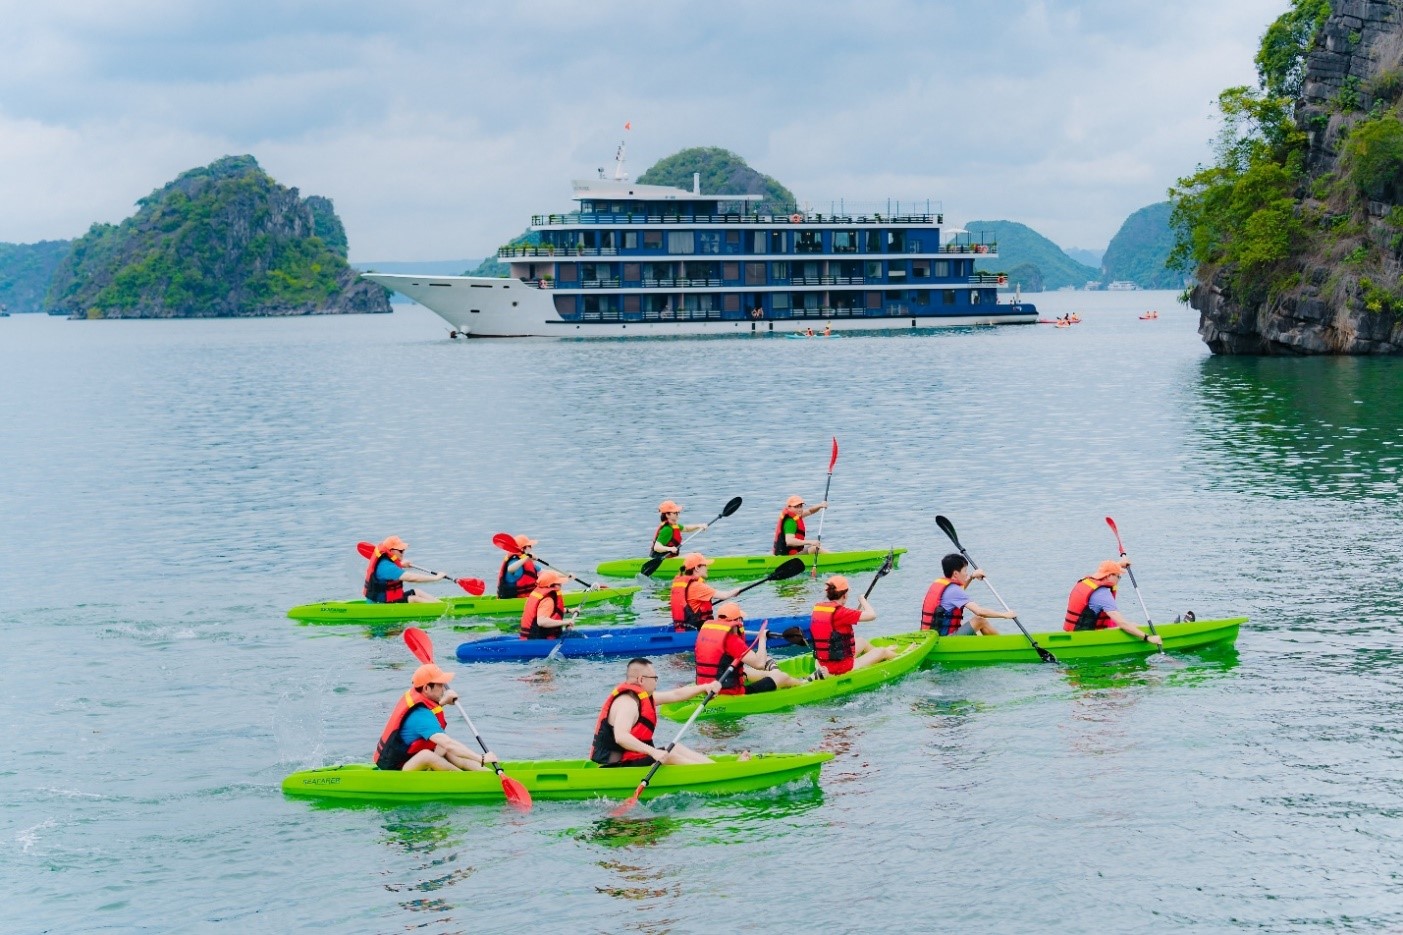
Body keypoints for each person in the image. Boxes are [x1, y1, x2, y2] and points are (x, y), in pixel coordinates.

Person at [590, 658, 722, 767]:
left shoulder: (643, 698)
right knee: (670, 756)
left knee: (675, 748)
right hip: (617, 766)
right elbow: (621, 737)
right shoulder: (627, 703)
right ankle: (715, 774)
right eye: (655, 678)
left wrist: (704, 687)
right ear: (641, 679)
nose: (656, 682)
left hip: (634, 760)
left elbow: (676, 695)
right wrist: (653, 752)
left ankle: (717, 768)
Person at [374, 662, 500, 772]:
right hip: (396, 770)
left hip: (408, 759)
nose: (443, 688)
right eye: (440, 685)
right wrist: (481, 758)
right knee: (429, 754)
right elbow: (448, 743)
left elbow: (428, 710)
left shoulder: (419, 699)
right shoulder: (420, 716)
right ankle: (466, 780)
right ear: (427, 688)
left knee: (445, 750)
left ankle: (487, 773)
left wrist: (443, 702)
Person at [695, 603, 804, 694]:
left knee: (746, 671)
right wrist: (762, 638)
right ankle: (805, 684)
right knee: (782, 677)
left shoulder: (708, 635)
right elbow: (760, 664)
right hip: (730, 693)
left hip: (707, 687)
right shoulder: (732, 641)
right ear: (737, 621)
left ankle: (773, 673)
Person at [810, 575, 896, 676]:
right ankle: (899, 655)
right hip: (840, 668)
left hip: (822, 664)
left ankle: (877, 656)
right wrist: (863, 600)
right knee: (882, 651)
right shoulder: (842, 613)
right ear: (845, 595)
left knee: (862, 641)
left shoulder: (819, 608)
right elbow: (872, 615)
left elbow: (837, 624)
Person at [1064, 559, 1163, 646]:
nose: (1119, 579)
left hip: (1073, 632)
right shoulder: (1103, 594)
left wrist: (1119, 565)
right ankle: (1152, 637)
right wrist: (1147, 638)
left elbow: (1107, 570)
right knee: (1132, 626)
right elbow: (1122, 623)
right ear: (1109, 575)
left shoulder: (1088, 582)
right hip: (1087, 638)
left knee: (1130, 625)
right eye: (1118, 576)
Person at [920, 553, 1019, 636]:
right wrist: (1005, 615)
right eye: (965, 571)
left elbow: (958, 592)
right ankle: (1001, 645)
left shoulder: (940, 584)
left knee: (978, 625)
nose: (966, 574)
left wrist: (972, 576)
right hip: (945, 641)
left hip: (930, 638)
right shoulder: (954, 591)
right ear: (955, 574)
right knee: (980, 620)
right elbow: (979, 611)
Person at [669, 553, 743, 631]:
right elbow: (724, 595)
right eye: (705, 566)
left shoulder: (687, 585)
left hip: (687, 628)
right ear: (697, 568)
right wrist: (736, 591)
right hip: (698, 630)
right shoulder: (697, 586)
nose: (707, 568)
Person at [364, 536, 447, 604]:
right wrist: (436, 578)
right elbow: (412, 578)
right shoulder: (386, 567)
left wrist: (401, 565)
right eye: (400, 550)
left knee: (417, 591)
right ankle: (443, 611)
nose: (403, 552)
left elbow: (390, 571)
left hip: (386, 599)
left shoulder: (387, 561)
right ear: (391, 551)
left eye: (403, 550)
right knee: (414, 599)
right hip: (379, 604)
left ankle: (442, 605)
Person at [520, 569, 571, 639]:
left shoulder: (539, 592)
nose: (561, 585)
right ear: (551, 585)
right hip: (539, 640)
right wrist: (566, 622)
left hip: (529, 637)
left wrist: (569, 610)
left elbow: (546, 610)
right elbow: (542, 622)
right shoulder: (548, 600)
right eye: (559, 583)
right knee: (579, 636)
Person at [496, 533, 540, 598]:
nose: (531, 548)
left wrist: (558, 577)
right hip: (511, 597)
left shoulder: (527, 562)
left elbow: (543, 572)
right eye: (529, 546)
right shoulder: (514, 560)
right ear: (522, 549)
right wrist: (526, 558)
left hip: (524, 596)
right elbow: (510, 569)